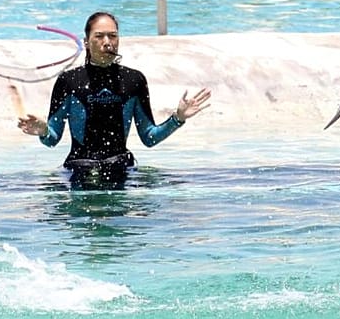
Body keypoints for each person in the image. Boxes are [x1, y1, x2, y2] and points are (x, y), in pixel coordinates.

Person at [18, 11, 211, 188]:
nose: (107, 42)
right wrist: (43, 131)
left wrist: (178, 118)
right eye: (99, 36)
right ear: (86, 42)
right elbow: (52, 139)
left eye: (112, 35)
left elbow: (149, 138)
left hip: (121, 168)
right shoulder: (69, 81)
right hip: (79, 170)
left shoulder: (134, 80)